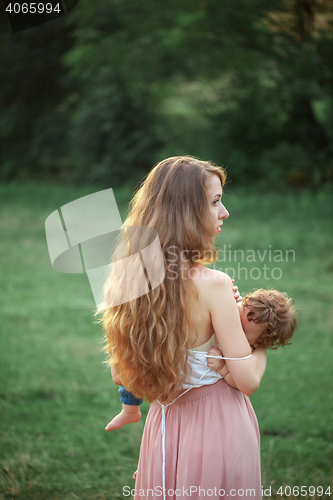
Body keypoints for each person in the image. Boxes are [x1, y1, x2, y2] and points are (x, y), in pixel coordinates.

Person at [103, 156, 269, 500]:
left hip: (164, 429)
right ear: (187, 212)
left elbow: (123, 377)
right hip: (218, 428)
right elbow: (247, 381)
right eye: (215, 202)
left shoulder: (126, 279)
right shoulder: (214, 285)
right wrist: (262, 342)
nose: (224, 213)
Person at [105, 287, 296, 431]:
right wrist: (228, 297)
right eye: (238, 314)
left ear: (259, 343)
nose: (233, 326)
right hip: (168, 376)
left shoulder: (247, 352)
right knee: (137, 368)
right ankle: (131, 413)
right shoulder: (224, 314)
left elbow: (240, 383)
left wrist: (223, 368)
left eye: (243, 331)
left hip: (195, 399)